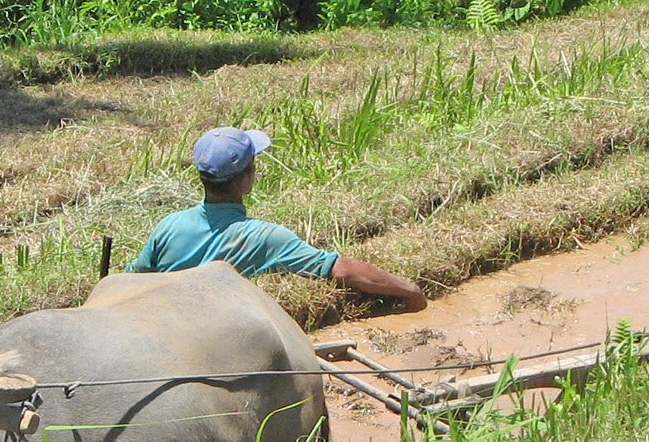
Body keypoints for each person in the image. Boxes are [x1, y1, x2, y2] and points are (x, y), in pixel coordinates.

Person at [127, 126, 428, 312]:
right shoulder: (265, 238)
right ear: (244, 180)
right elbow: (342, 270)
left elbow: (131, 279)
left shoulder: (168, 226)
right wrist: (408, 290)